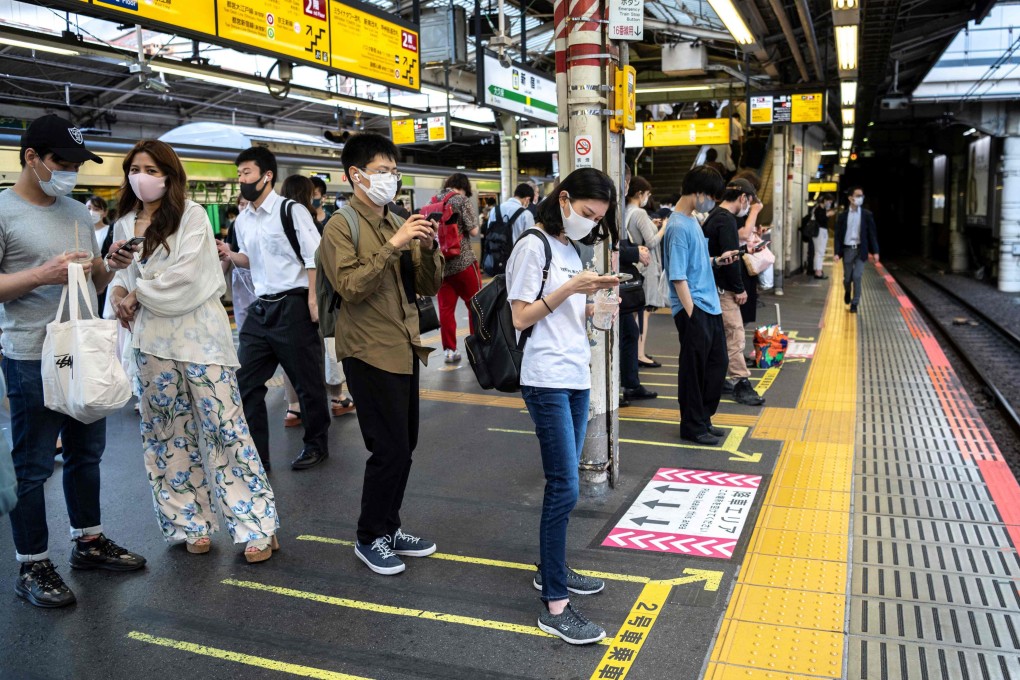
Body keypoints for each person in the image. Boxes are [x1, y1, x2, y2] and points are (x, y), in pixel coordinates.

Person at [108, 140, 278, 562]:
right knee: (167, 434)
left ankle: (257, 524)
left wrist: (136, 296)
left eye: (150, 168)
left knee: (227, 429)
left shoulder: (194, 216)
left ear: (169, 174)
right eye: (134, 168)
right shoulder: (124, 223)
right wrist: (116, 291)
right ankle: (190, 523)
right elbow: (122, 277)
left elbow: (190, 275)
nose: (140, 176)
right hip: (151, 344)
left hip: (201, 338)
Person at [0, 114, 145, 609]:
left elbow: (92, 282)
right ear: (32, 158)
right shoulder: (3, 211)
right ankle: (32, 562)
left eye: (77, 163)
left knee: (86, 452)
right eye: (62, 162)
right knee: (33, 465)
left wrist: (110, 266)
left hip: (83, 349)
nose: (71, 172)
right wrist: (41, 274)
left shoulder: (79, 214)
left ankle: (89, 541)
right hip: (29, 356)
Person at [318, 132, 443, 576]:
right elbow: (350, 287)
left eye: (394, 171)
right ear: (356, 176)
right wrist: (393, 247)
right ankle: (370, 536)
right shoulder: (341, 226)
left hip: (404, 344)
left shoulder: (395, 220)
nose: (391, 178)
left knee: (404, 445)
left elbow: (426, 287)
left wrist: (427, 249)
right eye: (382, 171)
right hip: (368, 350)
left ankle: (389, 527)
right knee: (387, 448)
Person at [506, 168, 621, 645]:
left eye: (599, 219)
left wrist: (596, 306)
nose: (591, 224)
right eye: (589, 214)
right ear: (567, 199)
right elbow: (520, 316)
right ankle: (554, 604)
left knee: (565, 484)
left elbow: (568, 315)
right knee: (564, 488)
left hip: (575, 376)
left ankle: (551, 569)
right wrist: (572, 290)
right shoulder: (532, 245)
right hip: (545, 378)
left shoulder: (572, 249)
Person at [217, 147, 330, 471]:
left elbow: (314, 257)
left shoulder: (290, 211)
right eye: (239, 174)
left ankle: (316, 444)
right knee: (244, 382)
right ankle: (257, 456)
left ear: (267, 175)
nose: (242, 180)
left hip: (293, 304)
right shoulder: (244, 220)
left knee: (307, 383)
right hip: (261, 308)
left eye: (247, 173)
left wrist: (312, 300)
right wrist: (229, 253)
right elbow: (254, 262)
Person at [663, 165, 739, 446]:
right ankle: (693, 426)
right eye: (711, 196)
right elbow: (678, 276)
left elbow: (693, 264)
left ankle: (704, 419)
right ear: (698, 193)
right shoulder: (678, 226)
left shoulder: (692, 221)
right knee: (694, 372)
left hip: (709, 306)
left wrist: (718, 260)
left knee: (715, 366)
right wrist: (692, 313)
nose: (713, 202)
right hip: (694, 308)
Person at [701, 178, 765, 407]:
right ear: (743, 198)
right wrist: (739, 288)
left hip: (712, 285)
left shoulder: (714, 215)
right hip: (723, 289)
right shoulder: (726, 220)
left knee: (720, 336)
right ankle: (740, 382)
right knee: (735, 334)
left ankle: (719, 378)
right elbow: (730, 257)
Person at [435, 173, 482, 364]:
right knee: (476, 305)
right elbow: (473, 230)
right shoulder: (461, 200)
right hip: (462, 262)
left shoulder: (434, 200)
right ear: (464, 187)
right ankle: (476, 349)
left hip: (441, 265)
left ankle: (449, 351)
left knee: (446, 309)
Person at [623, 177, 667, 369]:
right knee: (644, 312)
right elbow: (651, 242)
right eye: (647, 194)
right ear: (640, 193)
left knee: (635, 313)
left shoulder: (626, 211)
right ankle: (640, 353)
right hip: (646, 267)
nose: (647, 198)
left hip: (635, 265)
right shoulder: (640, 212)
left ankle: (635, 352)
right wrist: (664, 228)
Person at [835, 186, 879, 313]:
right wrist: (837, 253)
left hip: (861, 250)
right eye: (858, 195)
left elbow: (872, 234)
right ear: (850, 198)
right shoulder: (842, 216)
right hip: (848, 250)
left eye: (862, 196)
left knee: (857, 276)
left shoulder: (867, 215)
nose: (861, 198)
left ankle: (855, 303)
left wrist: (875, 251)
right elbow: (838, 236)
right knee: (847, 278)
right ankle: (847, 291)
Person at [86, 194, 115, 312]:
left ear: (104, 212)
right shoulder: (81, 232)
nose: (92, 212)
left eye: (96, 209)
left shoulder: (110, 231)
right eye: (88, 208)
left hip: (104, 279)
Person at [812, 194, 834, 279]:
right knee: (819, 252)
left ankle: (818, 270)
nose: (829, 203)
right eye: (829, 201)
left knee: (819, 252)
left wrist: (827, 213)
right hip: (819, 232)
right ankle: (818, 272)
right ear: (824, 200)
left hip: (822, 231)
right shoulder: (818, 209)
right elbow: (821, 220)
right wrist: (827, 214)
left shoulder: (823, 209)